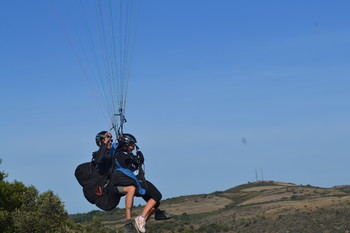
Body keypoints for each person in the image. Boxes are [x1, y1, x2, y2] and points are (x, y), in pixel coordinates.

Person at [113, 133, 173, 233]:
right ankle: (141, 218)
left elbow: (137, 162)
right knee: (157, 195)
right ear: (125, 144)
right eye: (131, 145)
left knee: (155, 203)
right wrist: (134, 158)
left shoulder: (128, 154)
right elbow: (125, 164)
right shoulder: (120, 155)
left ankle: (142, 223)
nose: (133, 147)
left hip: (139, 180)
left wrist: (139, 157)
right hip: (133, 182)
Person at [94, 131, 137, 233]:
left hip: (116, 184)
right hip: (108, 189)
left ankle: (154, 209)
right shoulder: (98, 156)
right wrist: (105, 144)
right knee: (131, 188)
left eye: (110, 140)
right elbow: (99, 160)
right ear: (102, 142)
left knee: (134, 188)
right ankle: (128, 222)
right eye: (107, 140)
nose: (110, 142)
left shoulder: (111, 153)